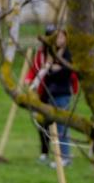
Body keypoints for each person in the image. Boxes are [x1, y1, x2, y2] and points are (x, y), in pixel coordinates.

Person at [24, 25, 79, 166]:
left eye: (61, 36)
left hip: (62, 94)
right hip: (49, 93)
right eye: (55, 37)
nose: (58, 40)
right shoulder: (50, 54)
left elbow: (65, 73)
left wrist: (54, 70)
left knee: (61, 127)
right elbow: (45, 72)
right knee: (48, 125)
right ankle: (52, 155)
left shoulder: (68, 54)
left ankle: (65, 158)